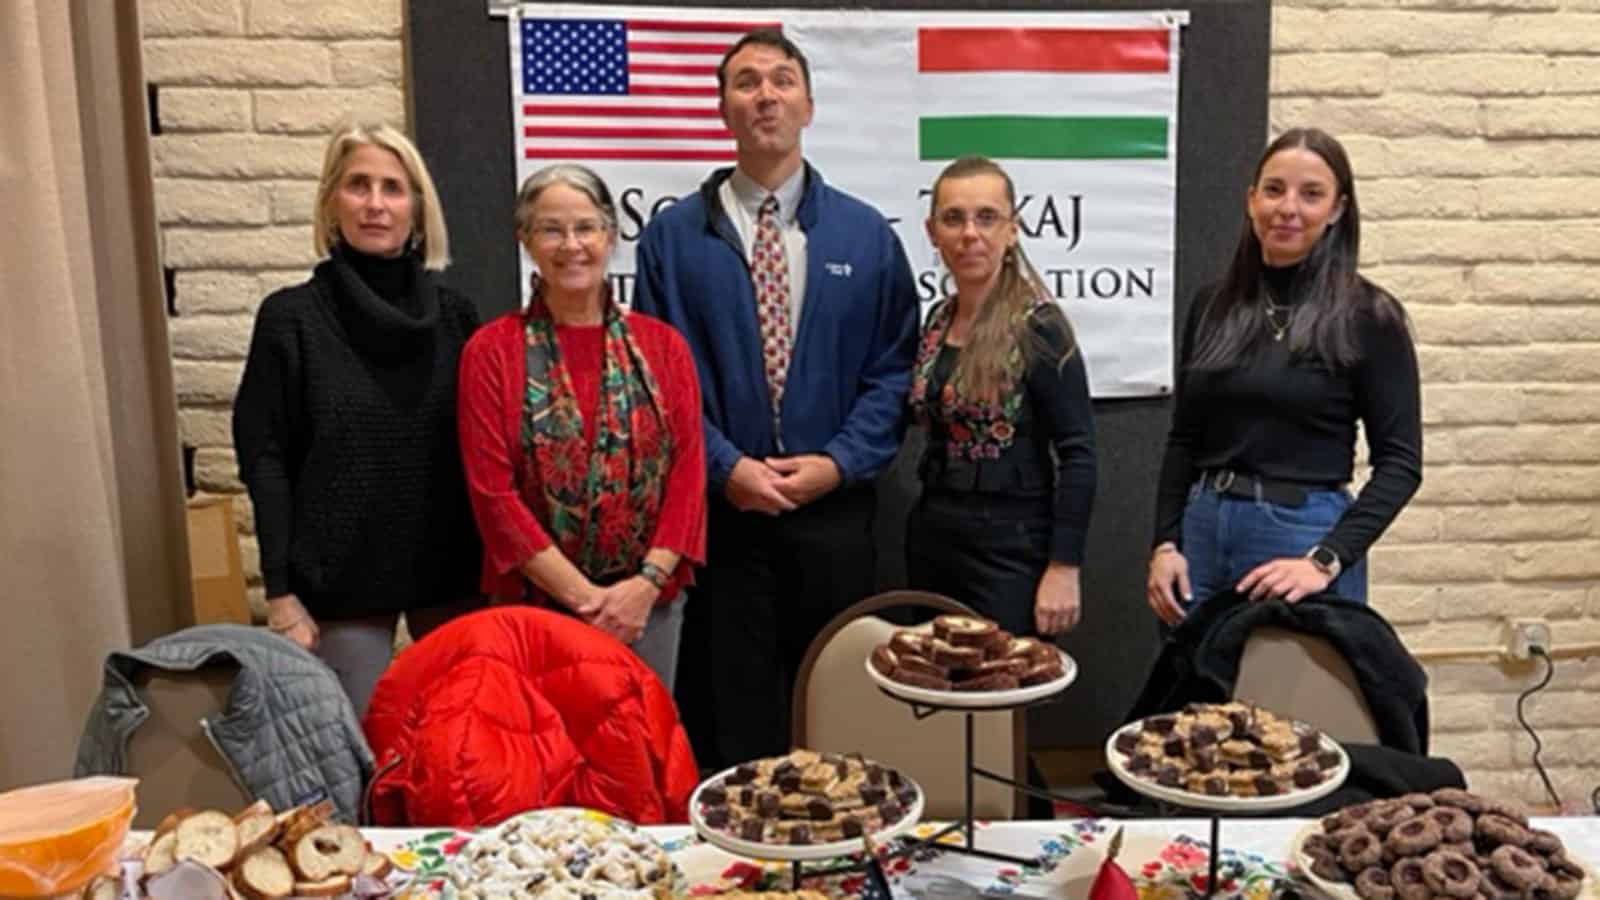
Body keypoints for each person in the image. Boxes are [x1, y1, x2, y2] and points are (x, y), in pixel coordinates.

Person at [632, 28, 919, 769]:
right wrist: (728, 467)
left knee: (842, 704)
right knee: (733, 713)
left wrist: (837, 462)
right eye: (747, 82)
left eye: (782, 81)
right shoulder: (671, 238)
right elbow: (662, 380)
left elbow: (893, 372)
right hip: (724, 519)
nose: (766, 95)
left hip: (837, 515)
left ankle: (843, 859)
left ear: (809, 105)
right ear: (723, 108)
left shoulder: (865, 233)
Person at [233, 121, 483, 719]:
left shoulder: (458, 316)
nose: (375, 204)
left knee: (462, 748)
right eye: (358, 185)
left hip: (452, 577)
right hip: (337, 587)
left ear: (418, 210)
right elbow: (264, 459)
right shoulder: (289, 319)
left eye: (393, 188)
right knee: (355, 757)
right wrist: (281, 594)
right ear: (330, 202)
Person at [1146, 127, 1422, 625]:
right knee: (1196, 697)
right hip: (1202, 531)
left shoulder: (1369, 316)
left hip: (1298, 536)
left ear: (1337, 209)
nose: (1288, 207)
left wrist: (1325, 560)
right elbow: (1183, 439)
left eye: (1311, 194)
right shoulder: (1212, 306)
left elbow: (1401, 464)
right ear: (1252, 200)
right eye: (1274, 190)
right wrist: (1166, 543)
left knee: (1292, 699)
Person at [456, 164, 705, 690]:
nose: (571, 245)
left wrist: (643, 587)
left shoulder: (664, 348)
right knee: (543, 758)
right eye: (551, 229)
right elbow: (492, 494)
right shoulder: (492, 352)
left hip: (648, 608)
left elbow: (687, 478)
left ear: (611, 236)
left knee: (642, 753)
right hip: (535, 604)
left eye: (585, 227)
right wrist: (588, 601)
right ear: (526, 240)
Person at [907, 156, 1097, 640]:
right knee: (936, 690)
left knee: (1003, 694)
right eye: (954, 218)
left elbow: (1079, 455)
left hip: (1013, 545)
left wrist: (1064, 567)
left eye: (986, 217)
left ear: (1012, 230)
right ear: (933, 232)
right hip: (934, 534)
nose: (970, 233)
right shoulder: (936, 321)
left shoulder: (1040, 328)